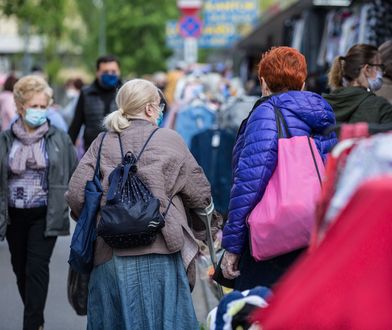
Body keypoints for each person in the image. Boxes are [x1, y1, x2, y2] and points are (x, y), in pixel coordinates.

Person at [66, 79, 220, 330]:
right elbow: (200, 194)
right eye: (159, 106)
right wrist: (207, 231)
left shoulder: (103, 141)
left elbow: (75, 193)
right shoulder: (171, 140)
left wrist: (95, 218)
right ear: (150, 109)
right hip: (162, 248)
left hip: (110, 251)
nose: (160, 111)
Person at [220, 47, 337, 291]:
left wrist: (232, 245)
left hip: (274, 236)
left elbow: (249, 183)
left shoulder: (266, 113)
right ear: (302, 83)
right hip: (314, 228)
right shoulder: (324, 115)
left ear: (263, 83)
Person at [0, 75, 77, 330]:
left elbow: (74, 172)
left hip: (45, 214)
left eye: (44, 107)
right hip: (13, 215)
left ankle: (32, 324)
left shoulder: (58, 139)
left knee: (36, 268)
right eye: (34, 106)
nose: (40, 112)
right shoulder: (5, 139)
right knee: (20, 268)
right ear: (21, 107)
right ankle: (36, 318)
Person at [323, 43, 392, 123]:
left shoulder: (325, 103)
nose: (382, 72)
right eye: (380, 67)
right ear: (367, 69)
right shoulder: (380, 106)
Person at [68, 55, 122, 151]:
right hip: (92, 152)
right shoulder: (86, 93)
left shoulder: (126, 92)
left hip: (121, 151)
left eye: (113, 71)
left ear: (119, 72)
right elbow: (76, 124)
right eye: (105, 72)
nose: (110, 74)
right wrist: (67, 148)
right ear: (97, 72)